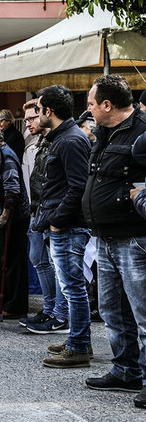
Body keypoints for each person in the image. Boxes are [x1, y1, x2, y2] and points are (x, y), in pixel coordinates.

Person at [83, 75, 146, 404]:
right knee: (111, 308)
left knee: (142, 312)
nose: (89, 109)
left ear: (108, 105)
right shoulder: (104, 133)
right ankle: (126, 371)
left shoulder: (143, 130)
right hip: (105, 236)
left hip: (134, 237)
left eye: (92, 103)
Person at [32, 85, 92, 368]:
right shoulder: (63, 137)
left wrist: (57, 221)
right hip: (63, 224)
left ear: (49, 111)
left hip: (68, 226)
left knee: (72, 287)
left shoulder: (69, 140)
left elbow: (78, 187)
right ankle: (78, 341)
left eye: (38, 109)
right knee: (71, 286)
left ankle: (79, 345)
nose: (36, 114)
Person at [18, 99, 68, 333]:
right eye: (26, 118)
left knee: (56, 265)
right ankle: (49, 309)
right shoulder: (33, 144)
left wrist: (54, 216)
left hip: (51, 213)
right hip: (36, 212)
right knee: (38, 260)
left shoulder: (58, 142)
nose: (28, 122)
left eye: (32, 117)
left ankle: (59, 313)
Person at [0, 126, 30, 319]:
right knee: (6, 259)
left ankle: (15, 305)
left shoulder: (6, 156)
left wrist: (4, 214)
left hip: (14, 216)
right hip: (10, 213)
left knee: (13, 260)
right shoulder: (1, 153)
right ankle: (8, 296)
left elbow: (12, 188)